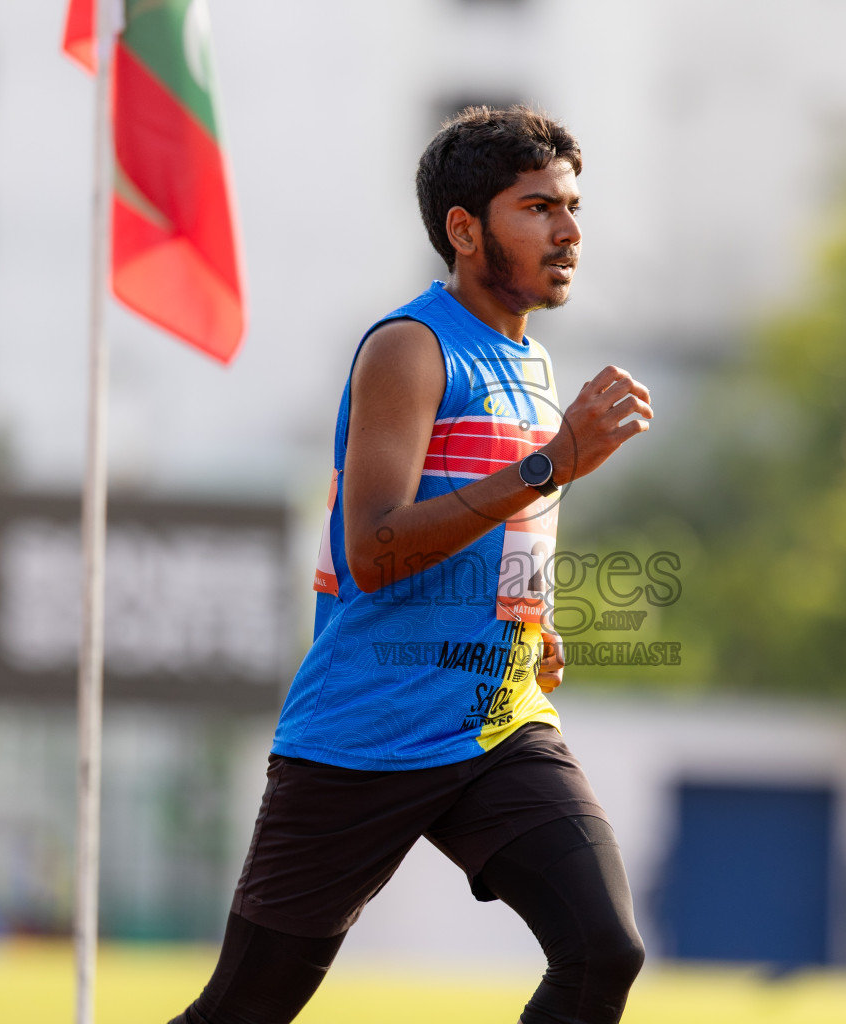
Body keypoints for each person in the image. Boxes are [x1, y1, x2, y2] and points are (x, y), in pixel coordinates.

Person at [170, 105, 654, 1024]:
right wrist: (553, 461)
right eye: (538, 208)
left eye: (572, 207)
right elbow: (376, 547)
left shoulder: (536, 366)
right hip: (368, 730)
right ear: (464, 231)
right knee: (242, 1012)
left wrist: (532, 620)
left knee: (603, 951)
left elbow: (511, 525)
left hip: (497, 726)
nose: (568, 231)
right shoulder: (410, 347)